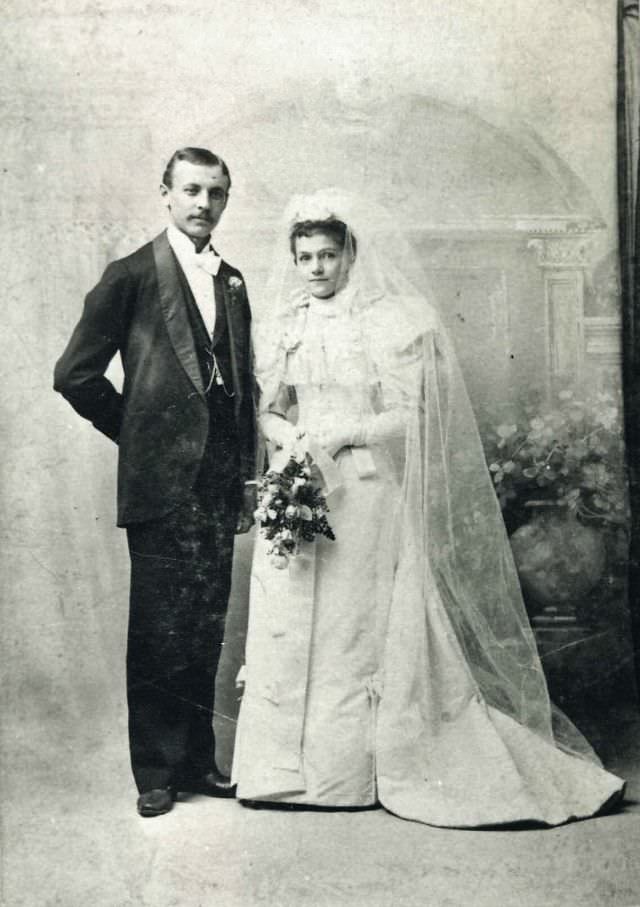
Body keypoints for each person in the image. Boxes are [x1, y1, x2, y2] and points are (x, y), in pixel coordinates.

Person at [231, 189, 624, 827]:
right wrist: (291, 440)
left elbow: (409, 415)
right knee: (287, 611)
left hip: (363, 492)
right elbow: (269, 408)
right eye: (305, 257)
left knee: (350, 624)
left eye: (328, 255)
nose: (316, 268)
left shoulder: (392, 321)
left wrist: (344, 431)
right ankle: (279, 772)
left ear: (351, 253)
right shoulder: (285, 325)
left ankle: (346, 773)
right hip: (298, 478)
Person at [54, 147, 256, 818]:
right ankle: (156, 771)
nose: (204, 203)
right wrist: (140, 437)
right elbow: (75, 375)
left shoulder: (232, 281)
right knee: (158, 629)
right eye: (192, 190)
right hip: (160, 485)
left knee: (205, 624)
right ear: (165, 194)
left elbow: (242, 389)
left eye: (216, 193)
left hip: (219, 484)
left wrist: (247, 477)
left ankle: (199, 760)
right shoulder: (132, 274)